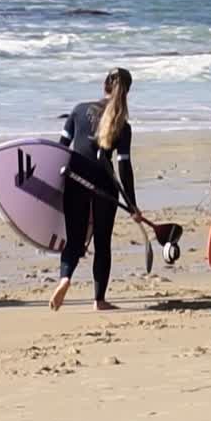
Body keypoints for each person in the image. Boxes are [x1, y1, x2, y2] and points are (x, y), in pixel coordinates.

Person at [50, 67, 140, 312]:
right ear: (127, 92)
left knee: (75, 239)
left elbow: (60, 150)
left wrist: (53, 184)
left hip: (75, 179)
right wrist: (132, 205)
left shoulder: (79, 110)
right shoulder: (123, 125)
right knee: (102, 242)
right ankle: (99, 300)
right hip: (104, 187)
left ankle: (65, 278)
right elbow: (124, 168)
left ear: (105, 86)